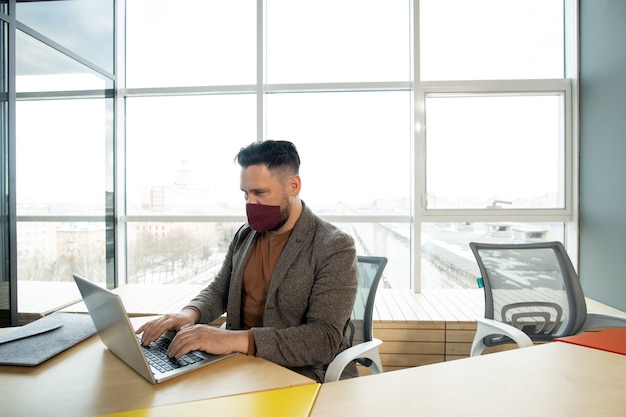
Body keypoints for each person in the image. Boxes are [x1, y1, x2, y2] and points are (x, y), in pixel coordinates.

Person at [137, 140, 359, 382]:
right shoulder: (246, 234)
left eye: (260, 193)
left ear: (294, 185)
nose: (251, 203)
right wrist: (190, 313)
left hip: (299, 373)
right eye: (246, 194)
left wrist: (232, 339)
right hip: (239, 364)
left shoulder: (334, 246)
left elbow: (324, 339)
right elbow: (220, 289)